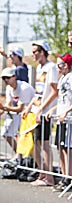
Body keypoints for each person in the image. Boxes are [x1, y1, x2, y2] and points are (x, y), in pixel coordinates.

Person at [23, 41, 58, 186]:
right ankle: (42, 172)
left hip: (44, 112)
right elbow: (38, 92)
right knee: (36, 141)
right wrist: (29, 107)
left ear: (42, 52)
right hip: (36, 109)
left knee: (44, 143)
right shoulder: (39, 68)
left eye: (35, 51)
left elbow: (54, 92)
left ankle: (49, 176)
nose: (33, 54)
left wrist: (42, 109)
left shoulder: (51, 68)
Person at [0, 68, 35, 162]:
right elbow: (8, 103)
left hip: (31, 113)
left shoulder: (24, 88)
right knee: (6, 133)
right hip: (20, 114)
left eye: (8, 77)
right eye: (4, 78)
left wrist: (3, 108)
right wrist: (0, 109)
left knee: (27, 139)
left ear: (14, 77)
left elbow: (20, 108)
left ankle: (32, 159)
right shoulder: (9, 88)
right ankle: (20, 156)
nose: (6, 80)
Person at [45, 53, 72, 191]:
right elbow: (62, 100)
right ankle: (64, 176)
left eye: (59, 65)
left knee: (68, 149)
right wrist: (54, 110)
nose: (57, 68)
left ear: (65, 66)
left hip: (69, 119)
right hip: (61, 118)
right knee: (60, 147)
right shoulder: (62, 79)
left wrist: (66, 112)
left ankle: (69, 177)